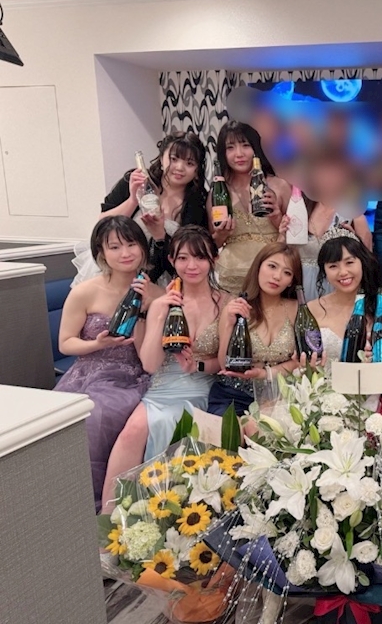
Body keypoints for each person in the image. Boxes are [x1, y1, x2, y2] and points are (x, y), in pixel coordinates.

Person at [101, 226, 230, 512]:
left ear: (214, 259)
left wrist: (197, 365)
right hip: (163, 385)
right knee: (132, 431)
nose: (191, 266)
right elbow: (149, 364)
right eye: (183, 258)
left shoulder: (226, 303)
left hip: (205, 385)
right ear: (172, 261)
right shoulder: (161, 303)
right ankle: (111, 518)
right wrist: (159, 312)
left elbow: (224, 363)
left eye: (200, 257)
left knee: (182, 422)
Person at [55, 216, 163, 512]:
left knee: (99, 415)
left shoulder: (157, 294)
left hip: (132, 375)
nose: (125, 253)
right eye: (115, 247)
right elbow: (66, 343)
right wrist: (97, 344)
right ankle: (63, 496)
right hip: (88, 371)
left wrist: (145, 310)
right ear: (101, 253)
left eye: (131, 244)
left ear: (143, 248)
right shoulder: (85, 291)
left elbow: (149, 356)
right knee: (63, 419)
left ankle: (101, 503)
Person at [73, 132, 209, 287]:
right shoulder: (136, 181)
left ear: (197, 169)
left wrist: (161, 236)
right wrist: (133, 199)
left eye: (189, 163)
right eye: (174, 159)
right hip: (118, 267)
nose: (179, 168)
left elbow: (191, 251)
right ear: (162, 158)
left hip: (162, 275)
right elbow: (103, 225)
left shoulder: (197, 203)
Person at [296, 230, 382, 411]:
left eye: (349, 262)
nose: (343, 272)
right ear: (324, 271)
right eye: (333, 266)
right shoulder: (312, 310)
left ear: (362, 262)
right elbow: (301, 362)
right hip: (320, 403)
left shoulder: (380, 310)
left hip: (369, 404)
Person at [211, 243, 300, 416]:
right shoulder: (236, 307)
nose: (277, 276)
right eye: (272, 266)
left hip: (282, 395)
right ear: (258, 267)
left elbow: (299, 362)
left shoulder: (297, 309)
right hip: (234, 393)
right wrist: (229, 323)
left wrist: (265, 374)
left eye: (287, 272)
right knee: (229, 428)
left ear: (291, 281)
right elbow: (224, 364)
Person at [211, 121, 292, 294]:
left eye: (245, 145)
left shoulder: (279, 186)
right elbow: (211, 244)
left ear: (257, 148)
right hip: (231, 277)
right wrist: (221, 234)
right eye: (230, 147)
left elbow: (296, 237)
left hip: (272, 276)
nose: (239, 154)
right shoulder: (219, 191)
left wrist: (277, 217)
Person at [298, 150, 372, 301]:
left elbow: (368, 262)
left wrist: (354, 243)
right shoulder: (300, 207)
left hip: (340, 287)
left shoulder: (354, 212)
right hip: (300, 287)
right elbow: (285, 251)